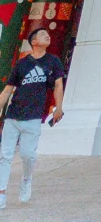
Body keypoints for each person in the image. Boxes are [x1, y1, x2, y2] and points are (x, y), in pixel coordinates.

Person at [0, 27, 64, 208]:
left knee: (28, 155)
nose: (47, 35)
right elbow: (7, 90)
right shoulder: (21, 64)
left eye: (47, 34)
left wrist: (59, 108)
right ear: (34, 42)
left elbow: (58, 85)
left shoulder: (53, 61)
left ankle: (26, 179)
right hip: (13, 115)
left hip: (34, 117)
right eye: (42, 34)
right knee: (5, 156)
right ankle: (1, 194)